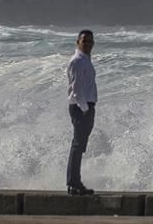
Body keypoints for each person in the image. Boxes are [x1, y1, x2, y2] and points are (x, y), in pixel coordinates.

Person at [66, 29, 97, 196]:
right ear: (77, 42)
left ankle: (75, 182)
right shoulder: (78, 61)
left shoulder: (85, 60)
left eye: (90, 42)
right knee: (77, 146)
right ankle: (73, 184)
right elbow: (76, 90)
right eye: (84, 41)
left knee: (79, 146)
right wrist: (85, 109)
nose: (88, 45)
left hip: (85, 106)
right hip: (80, 107)